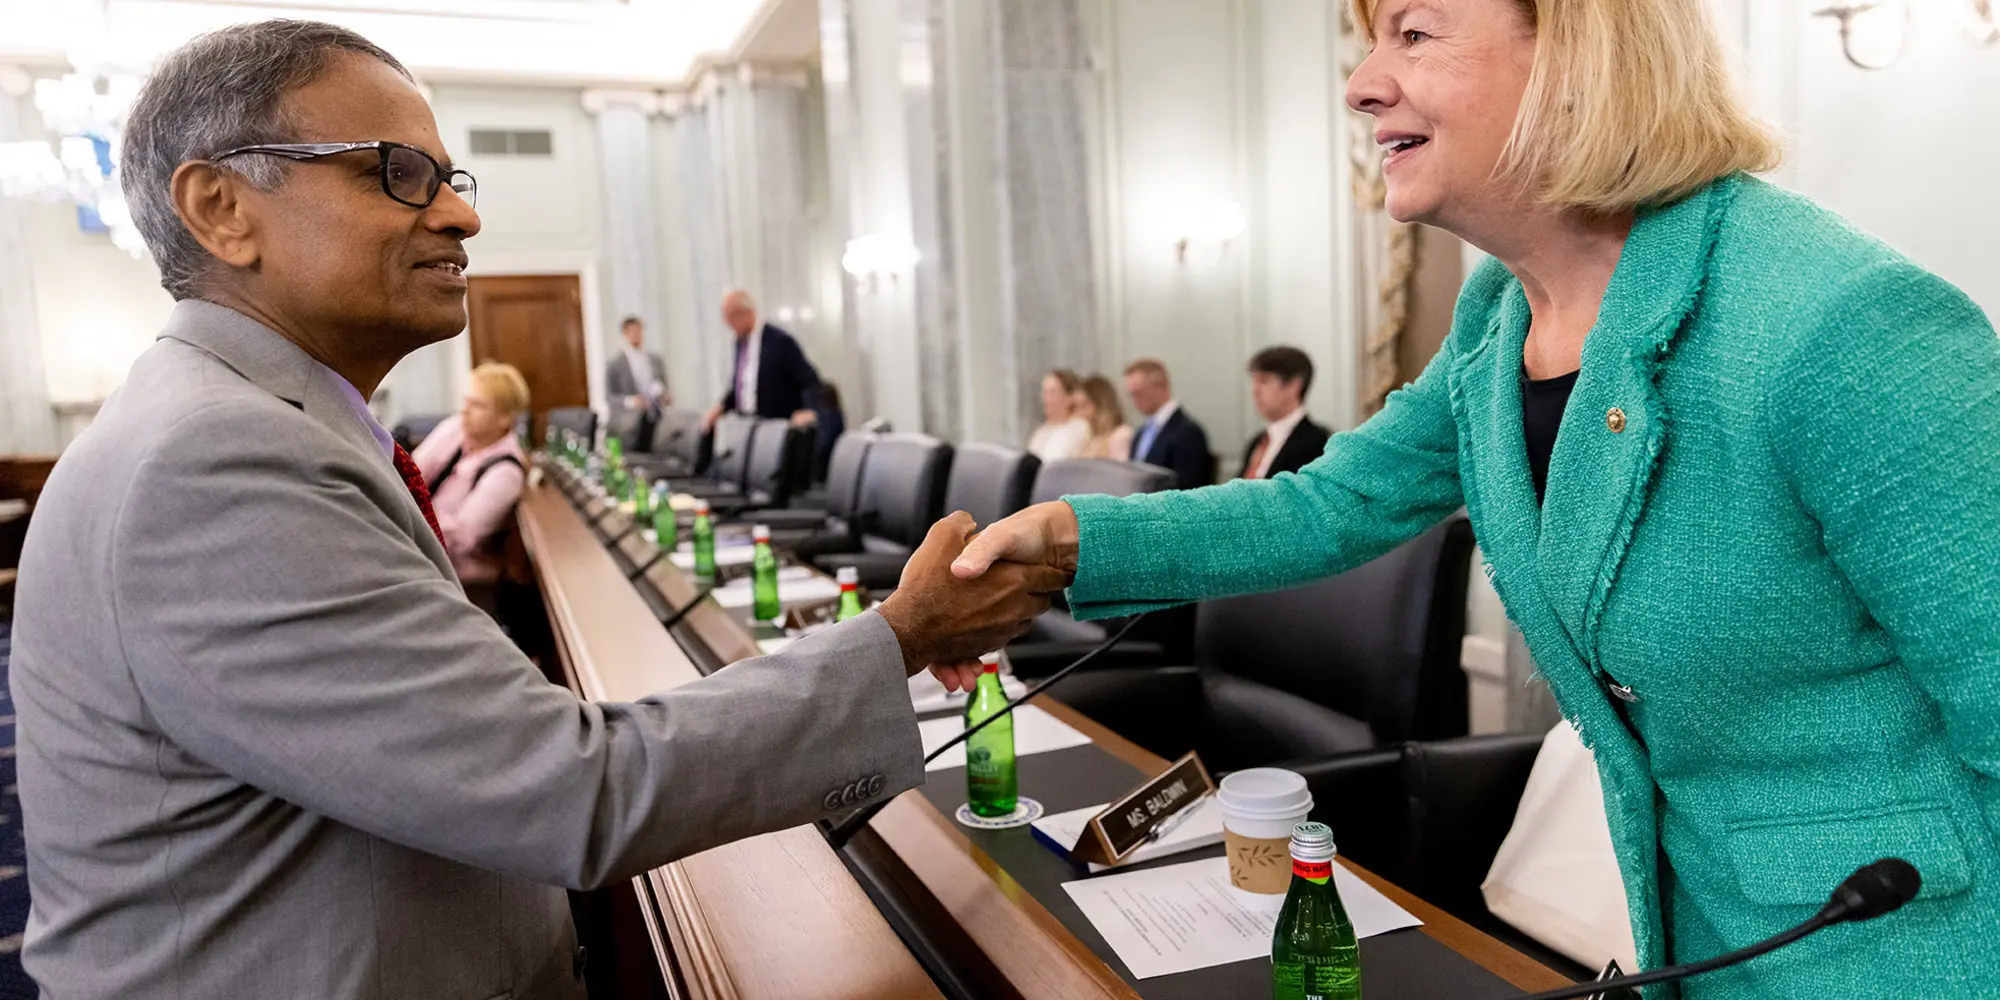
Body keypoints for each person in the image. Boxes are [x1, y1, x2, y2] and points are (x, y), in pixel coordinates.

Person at [943, 0, 2000, 996]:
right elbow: (1327, 506)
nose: (1360, 85)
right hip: (1702, 929)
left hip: (1903, 946)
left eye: (1410, 32)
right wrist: (1070, 538)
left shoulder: (1847, 325)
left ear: (1576, 49)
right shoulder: (1497, 315)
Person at [9, 22, 1065, 1000]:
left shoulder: (251, 425)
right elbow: (568, 787)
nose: (462, 213)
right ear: (221, 208)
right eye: (399, 174)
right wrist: (901, 636)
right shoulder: (212, 460)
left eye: (449, 178)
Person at [411, 362, 532, 597]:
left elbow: (459, 536)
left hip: (452, 576)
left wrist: (400, 524)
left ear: (505, 419)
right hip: (417, 544)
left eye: (477, 405)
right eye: (466, 402)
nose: (465, 411)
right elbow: (410, 474)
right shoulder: (456, 428)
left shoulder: (506, 471)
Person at [703, 289, 820, 432]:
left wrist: (810, 410)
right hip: (747, 425)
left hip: (776, 426)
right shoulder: (739, 344)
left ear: (748, 313)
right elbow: (740, 387)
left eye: (732, 317)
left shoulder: (779, 342)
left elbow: (810, 381)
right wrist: (720, 408)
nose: (729, 325)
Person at [1239, 346, 1330, 480]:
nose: (1255, 390)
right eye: (1254, 381)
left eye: (1264, 381)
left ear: (1294, 385)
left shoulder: (1317, 443)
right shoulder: (1257, 442)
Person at [1122, 359, 1214, 490]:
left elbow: (1188, 487)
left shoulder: (1188, 433)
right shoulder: (1141, 432)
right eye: (1130, 394)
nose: (1133, 401)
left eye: (1138, 393)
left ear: (1161, 386)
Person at [606, 315, 671, 445]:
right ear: (625, 333)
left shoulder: (655, 360)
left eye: (639, 331)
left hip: (656, 417)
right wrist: (631, 401)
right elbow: (609, 397)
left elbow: (664, 386)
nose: (636, 335)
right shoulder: (615, 364)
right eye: (632, 331)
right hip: (631, 423)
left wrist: (665, 395)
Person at [1026, 369, 1090, 461]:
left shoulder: (1079, 429)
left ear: (1069, 397)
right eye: (1044, 393)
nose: (1046, 399)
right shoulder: (1040, 433)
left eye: (1052, 393)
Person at [1076, 375, 1133, 460]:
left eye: (1085, 405)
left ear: (1101, 403)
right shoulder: (1089, 438)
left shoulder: (1121, 435)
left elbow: (1121, 468)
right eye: (1078, 406)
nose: (1080, 413)